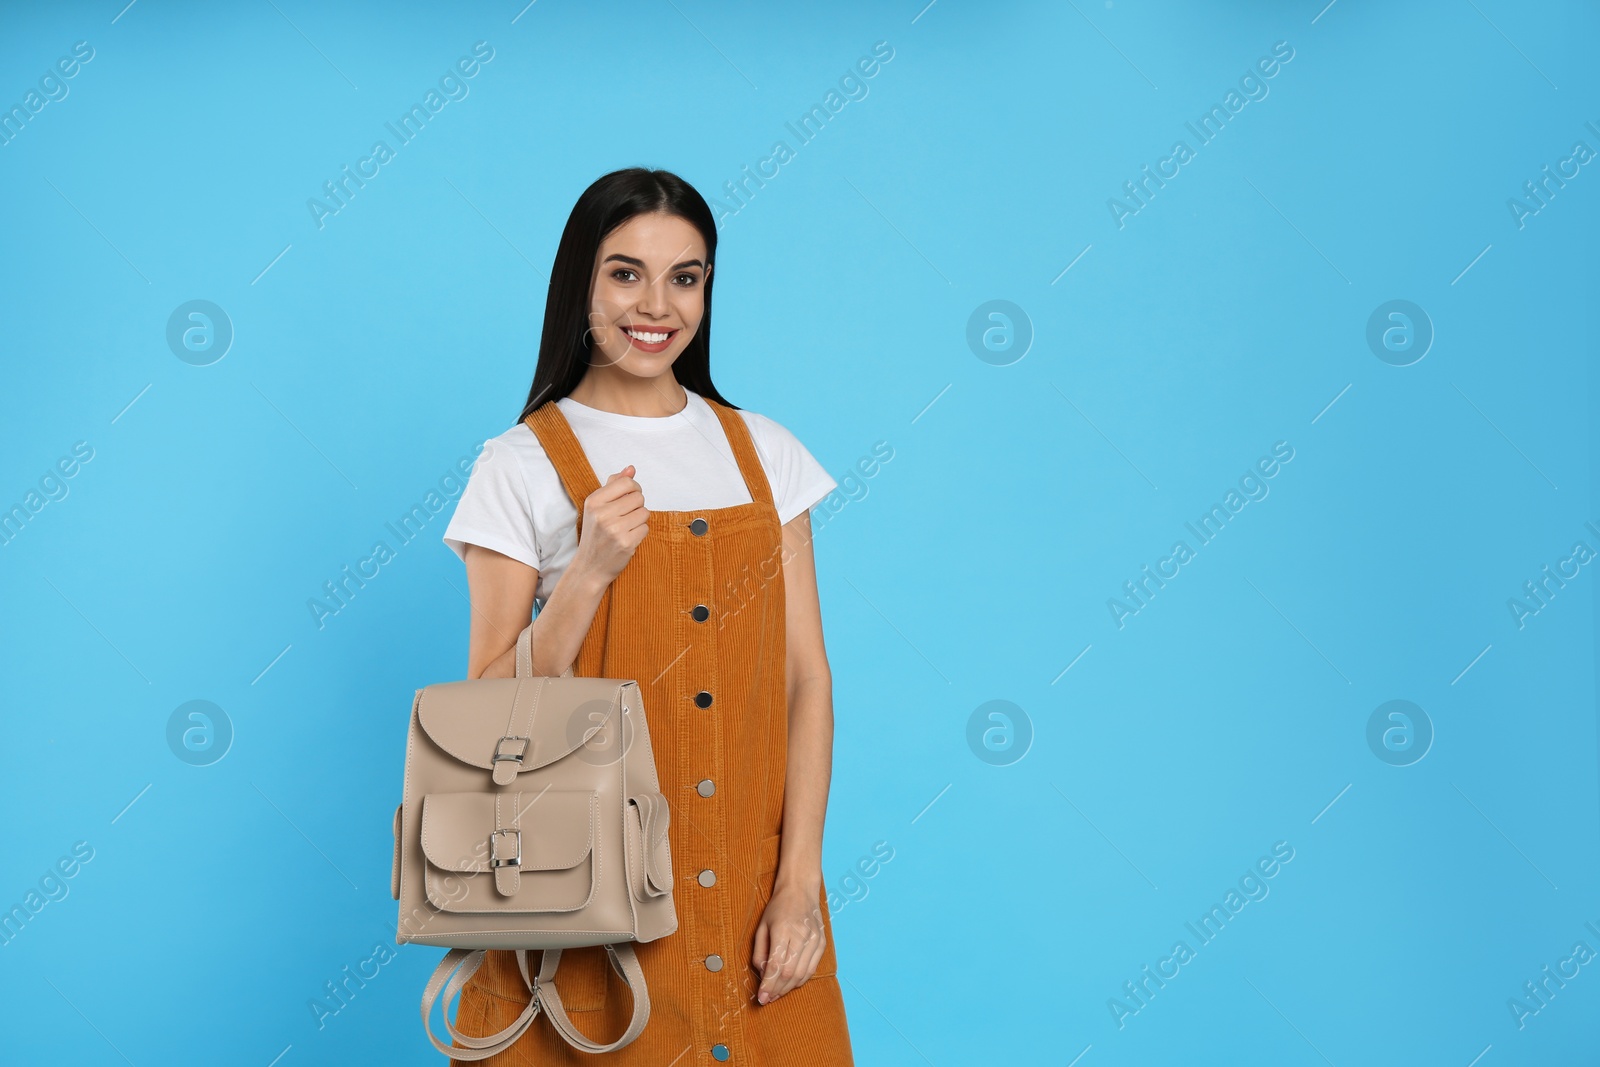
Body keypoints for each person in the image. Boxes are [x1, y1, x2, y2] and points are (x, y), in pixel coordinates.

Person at [438, 167, 856, 1065]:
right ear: (580, 284)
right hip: (586, 903)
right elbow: (481, 714)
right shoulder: (519, 464)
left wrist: (800, 886)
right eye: (625, 272)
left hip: (751, 900)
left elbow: (805, 678)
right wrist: (586, 574)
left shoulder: (765, 452)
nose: (656, 304)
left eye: (686, 275)